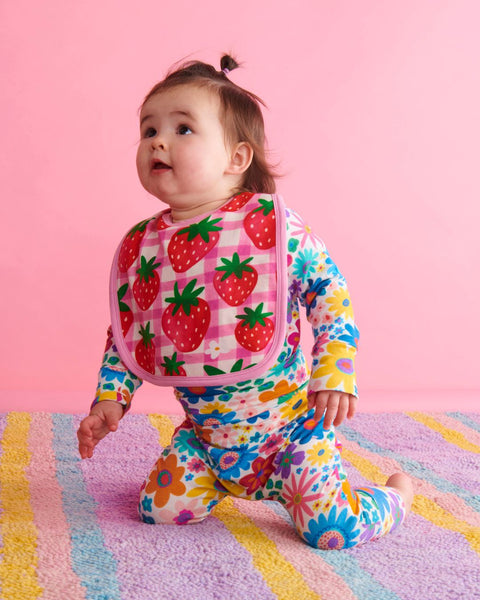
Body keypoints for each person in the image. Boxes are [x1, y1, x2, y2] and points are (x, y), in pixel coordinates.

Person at [77, 55, 413, 550]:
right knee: (158, 512)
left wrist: (335, 370)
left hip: (294, 437)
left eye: (183, 128)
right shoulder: (145, 247)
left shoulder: (273, 229)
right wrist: (111, 397)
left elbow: (329, 291)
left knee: (331, 531)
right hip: (209, 443)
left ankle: (392, 497)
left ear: (237, 158)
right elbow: (129, 332)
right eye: (148, 129)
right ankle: (207, 471)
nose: (157, 141)